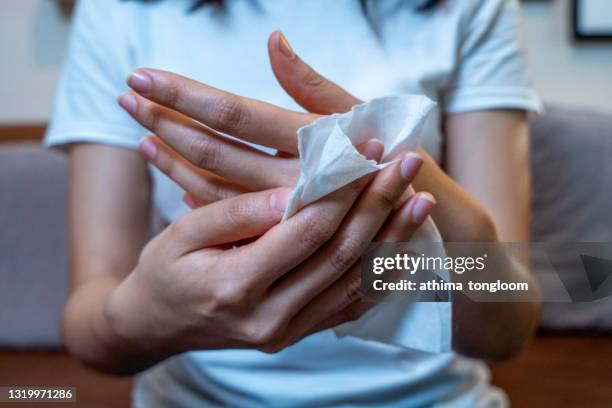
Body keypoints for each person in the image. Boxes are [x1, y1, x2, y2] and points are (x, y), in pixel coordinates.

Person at [46, 0, 541, 406]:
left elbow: (510, 329)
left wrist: (411, 186)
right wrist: (148, 314)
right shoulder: (120, 10)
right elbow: (90, 322)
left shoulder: (472, 7)